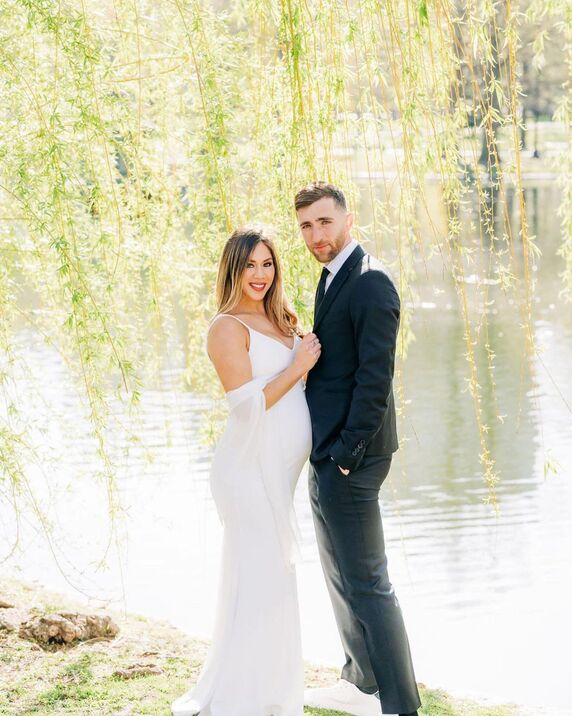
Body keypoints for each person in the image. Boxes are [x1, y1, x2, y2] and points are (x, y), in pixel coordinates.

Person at [171, 225, 321, 716]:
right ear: (232, 268)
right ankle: (246, 697)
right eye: (250, 264)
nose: (260, 274)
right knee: (263, 580)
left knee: (275, 579)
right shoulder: (226, 327)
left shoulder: (281, 319)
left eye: (268, 263)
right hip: (247, 472)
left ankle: (273, 692)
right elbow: (243, 406)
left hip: (278, 473)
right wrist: (297, 366)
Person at [296, 182, 421, 716]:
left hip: (353, 455)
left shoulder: (371, 282)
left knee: (368, 583)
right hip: (329, 452)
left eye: (324, 222)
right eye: (305, 225)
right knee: (340, 574)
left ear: (348, 219)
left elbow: (376, 380)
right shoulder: (333, 278)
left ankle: (401, 706)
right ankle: (357, 680)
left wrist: (347, 451)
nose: (315, 235)